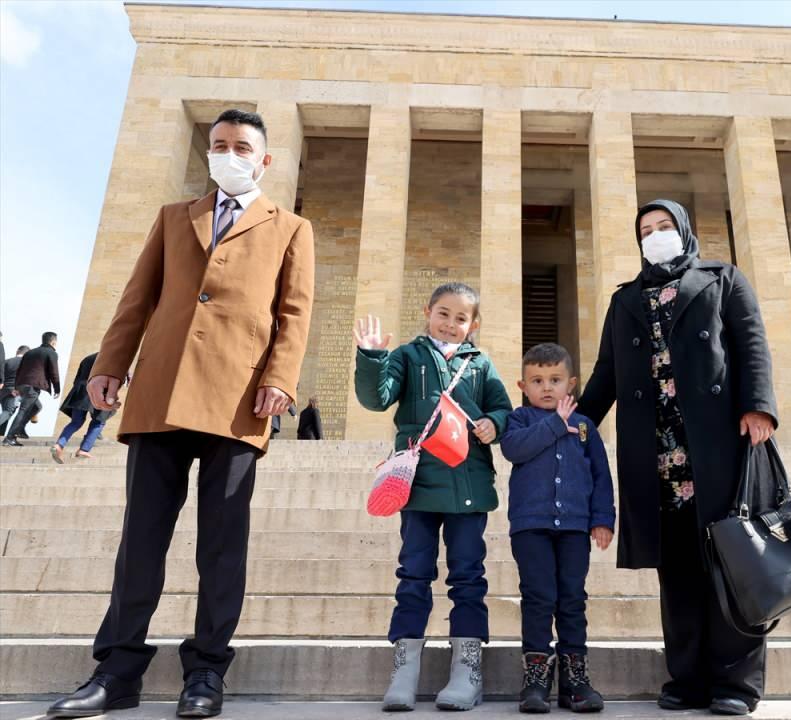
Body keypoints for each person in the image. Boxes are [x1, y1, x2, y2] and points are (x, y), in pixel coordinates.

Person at [46, 108, 315, 719]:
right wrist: (108, 366)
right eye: (219, 145)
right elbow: (136, 297)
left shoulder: (291, 228)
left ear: (264, 159)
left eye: (241, 146)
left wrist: (280, 380)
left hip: (238, 398)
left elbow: (294, 314)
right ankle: (116, 671)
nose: (229, 153)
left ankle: (206, 673)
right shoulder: (173, 217)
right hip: (161, 393)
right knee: (140, 539)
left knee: (222, 545)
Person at [577, 199, 777, 717]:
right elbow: (606, 372)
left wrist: (759, 407)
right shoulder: (625, 300)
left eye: (665, 227)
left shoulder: (722, 278)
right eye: (646, 230)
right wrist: (577, 420)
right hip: (658, 452)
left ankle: (736, 684)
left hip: (716, 443)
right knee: (678, 567)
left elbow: (751, 342)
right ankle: (686, 679)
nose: (656, 235)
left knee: (732, 562)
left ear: (685, 229)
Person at [353, 282, 513, 712]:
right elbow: (376, 398)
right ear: (427, 311)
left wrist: (493, 423)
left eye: (461, 318)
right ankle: (404, 671)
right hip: (419, 485)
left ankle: (467, 672)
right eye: (443, 313)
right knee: (414, 574)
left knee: (468, 577)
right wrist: (372, 357)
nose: (450, 323)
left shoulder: (481, 363)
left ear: (473, 324)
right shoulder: (408, 355)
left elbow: (503, 408)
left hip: (467, 485)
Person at [499, 342, 615, 714]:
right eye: (537, 380)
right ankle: (536, 678)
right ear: (522, 386)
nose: (546, 387)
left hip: (574, 529)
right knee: (538, 596)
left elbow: (601, 474)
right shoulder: (520, 421)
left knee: (571, 598)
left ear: (571, 384)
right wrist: (553, 424)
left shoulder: (584, 426)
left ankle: (574, 679)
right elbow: (514, 450)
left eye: (555, 379)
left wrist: (602, 519)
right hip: (531, 527)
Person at [51, 352, 117, 462]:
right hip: (100, 392)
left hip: (80, 390)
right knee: (99, 421)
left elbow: (76, 379)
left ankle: (59, 445)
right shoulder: (111, 358)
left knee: (76, 422)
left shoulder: (87, 358)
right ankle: (84, 449)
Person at [3, 332, 60, 447]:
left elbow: (20, 370)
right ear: (53, 342)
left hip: (22, 384)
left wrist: (16, 387)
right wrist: (57, 388)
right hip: (32, 386)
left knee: (37, 407)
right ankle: (9, 438)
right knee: (23, 410)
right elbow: (54, 372)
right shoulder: (51, 353)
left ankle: (20, 429)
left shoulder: (30, 352)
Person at [0, 345, 29, 436]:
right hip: (15, 391)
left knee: (6, 412)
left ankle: (1, 435)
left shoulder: (6, 361)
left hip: (3, 390)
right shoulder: (26, 364)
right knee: (8, 411)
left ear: (17, 351)